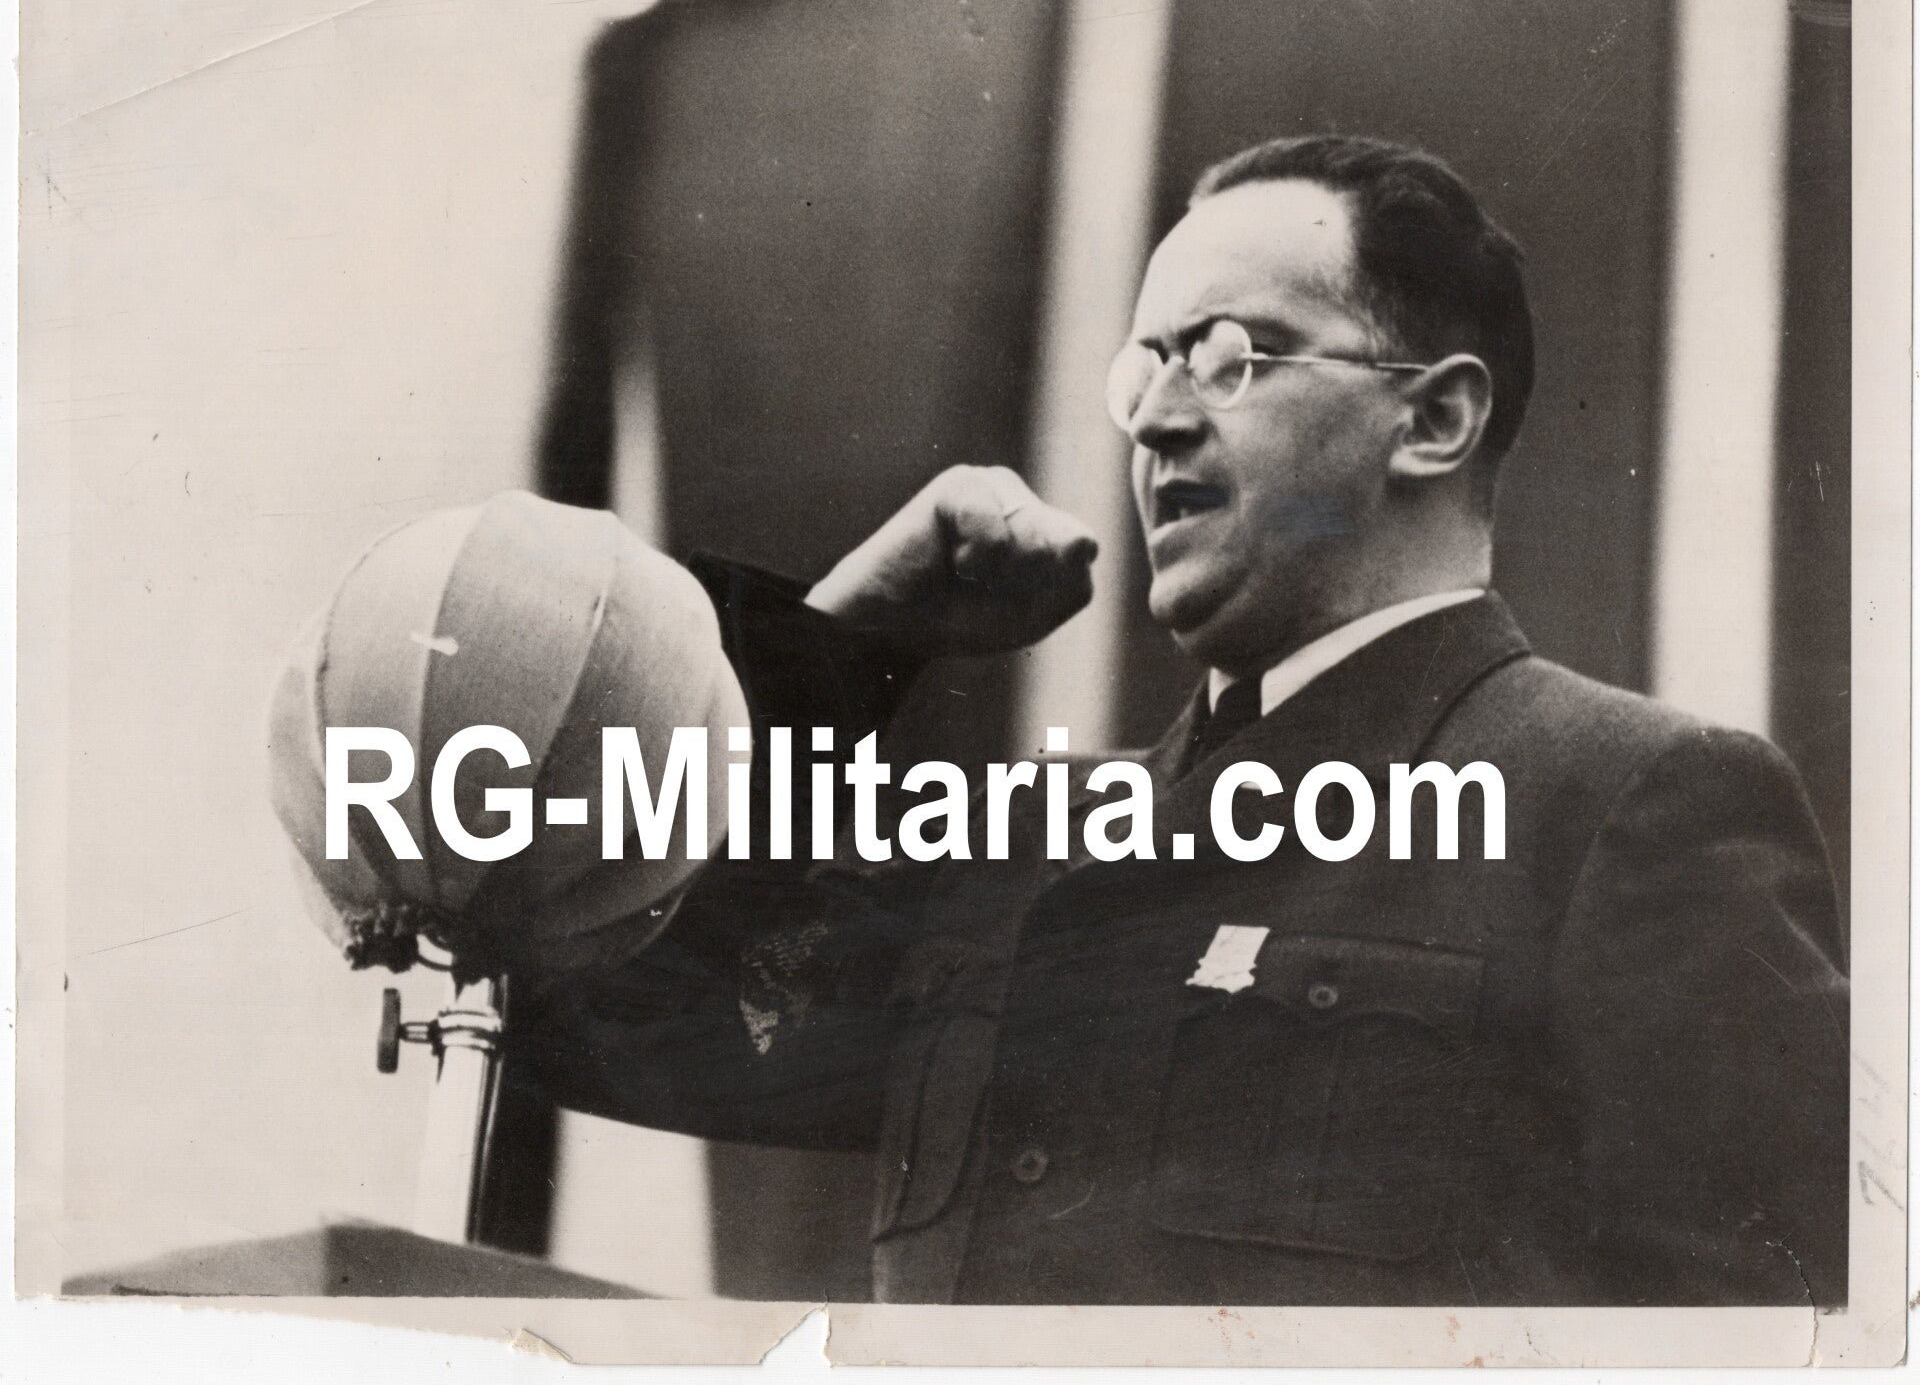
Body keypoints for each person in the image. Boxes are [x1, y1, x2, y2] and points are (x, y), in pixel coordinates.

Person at [516, 134, 1849, 1307]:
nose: (1153, 420)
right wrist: (852, 643)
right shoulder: (1027, 844)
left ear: (1434, 417)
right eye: (1144, 369)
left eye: (1228, 358)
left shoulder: (1623, 804)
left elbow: (1771, 1331)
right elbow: (619, 994)